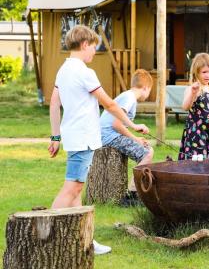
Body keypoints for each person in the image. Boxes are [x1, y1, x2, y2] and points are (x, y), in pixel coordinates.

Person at [48, 25, 149, 255]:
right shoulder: (85, 72)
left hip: (75, 136)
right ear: (84, 45)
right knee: (72, 189)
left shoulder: (63, 69)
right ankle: (45, 234)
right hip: (83, 138)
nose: (94, 52)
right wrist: (133, 125)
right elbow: (110, 104)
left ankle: (86, 241)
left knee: (76, 193)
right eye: (94, 47)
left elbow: (55, 102)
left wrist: (55, 136)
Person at [100, 69, 154, 203]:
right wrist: (135, 139)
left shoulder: (127, 96)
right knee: (147, 153)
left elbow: (121, 124)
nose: (148, 95)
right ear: (146, 88)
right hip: (108, 135)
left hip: (109, 134)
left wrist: (135, 137)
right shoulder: (129, 98)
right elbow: (116, 124)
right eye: (149, 91)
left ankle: (134, 191)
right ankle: (133, 194)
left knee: (147, 149)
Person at [178, 53, 209, 160]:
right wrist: (193, 94)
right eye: (204, 72)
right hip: (196, 133)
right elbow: (185, 107)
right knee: (196, 162)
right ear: (196, 72)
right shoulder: (193, 88)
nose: (207, 75)